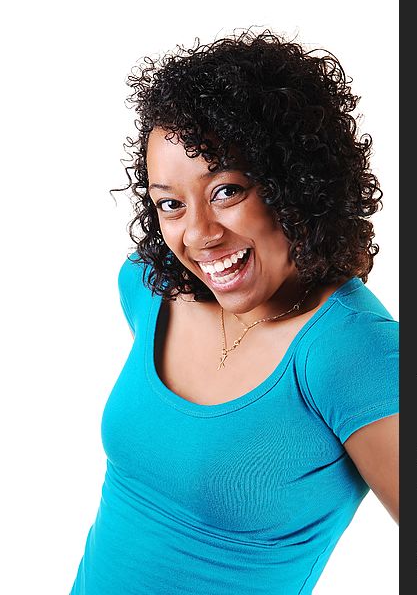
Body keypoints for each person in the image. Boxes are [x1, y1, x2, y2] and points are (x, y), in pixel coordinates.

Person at [70, 29, 398, 594]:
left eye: (226, 191)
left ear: (296, 184)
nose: (197, 234)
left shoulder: (352, 350)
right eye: (170, 204)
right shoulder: (149, 289)